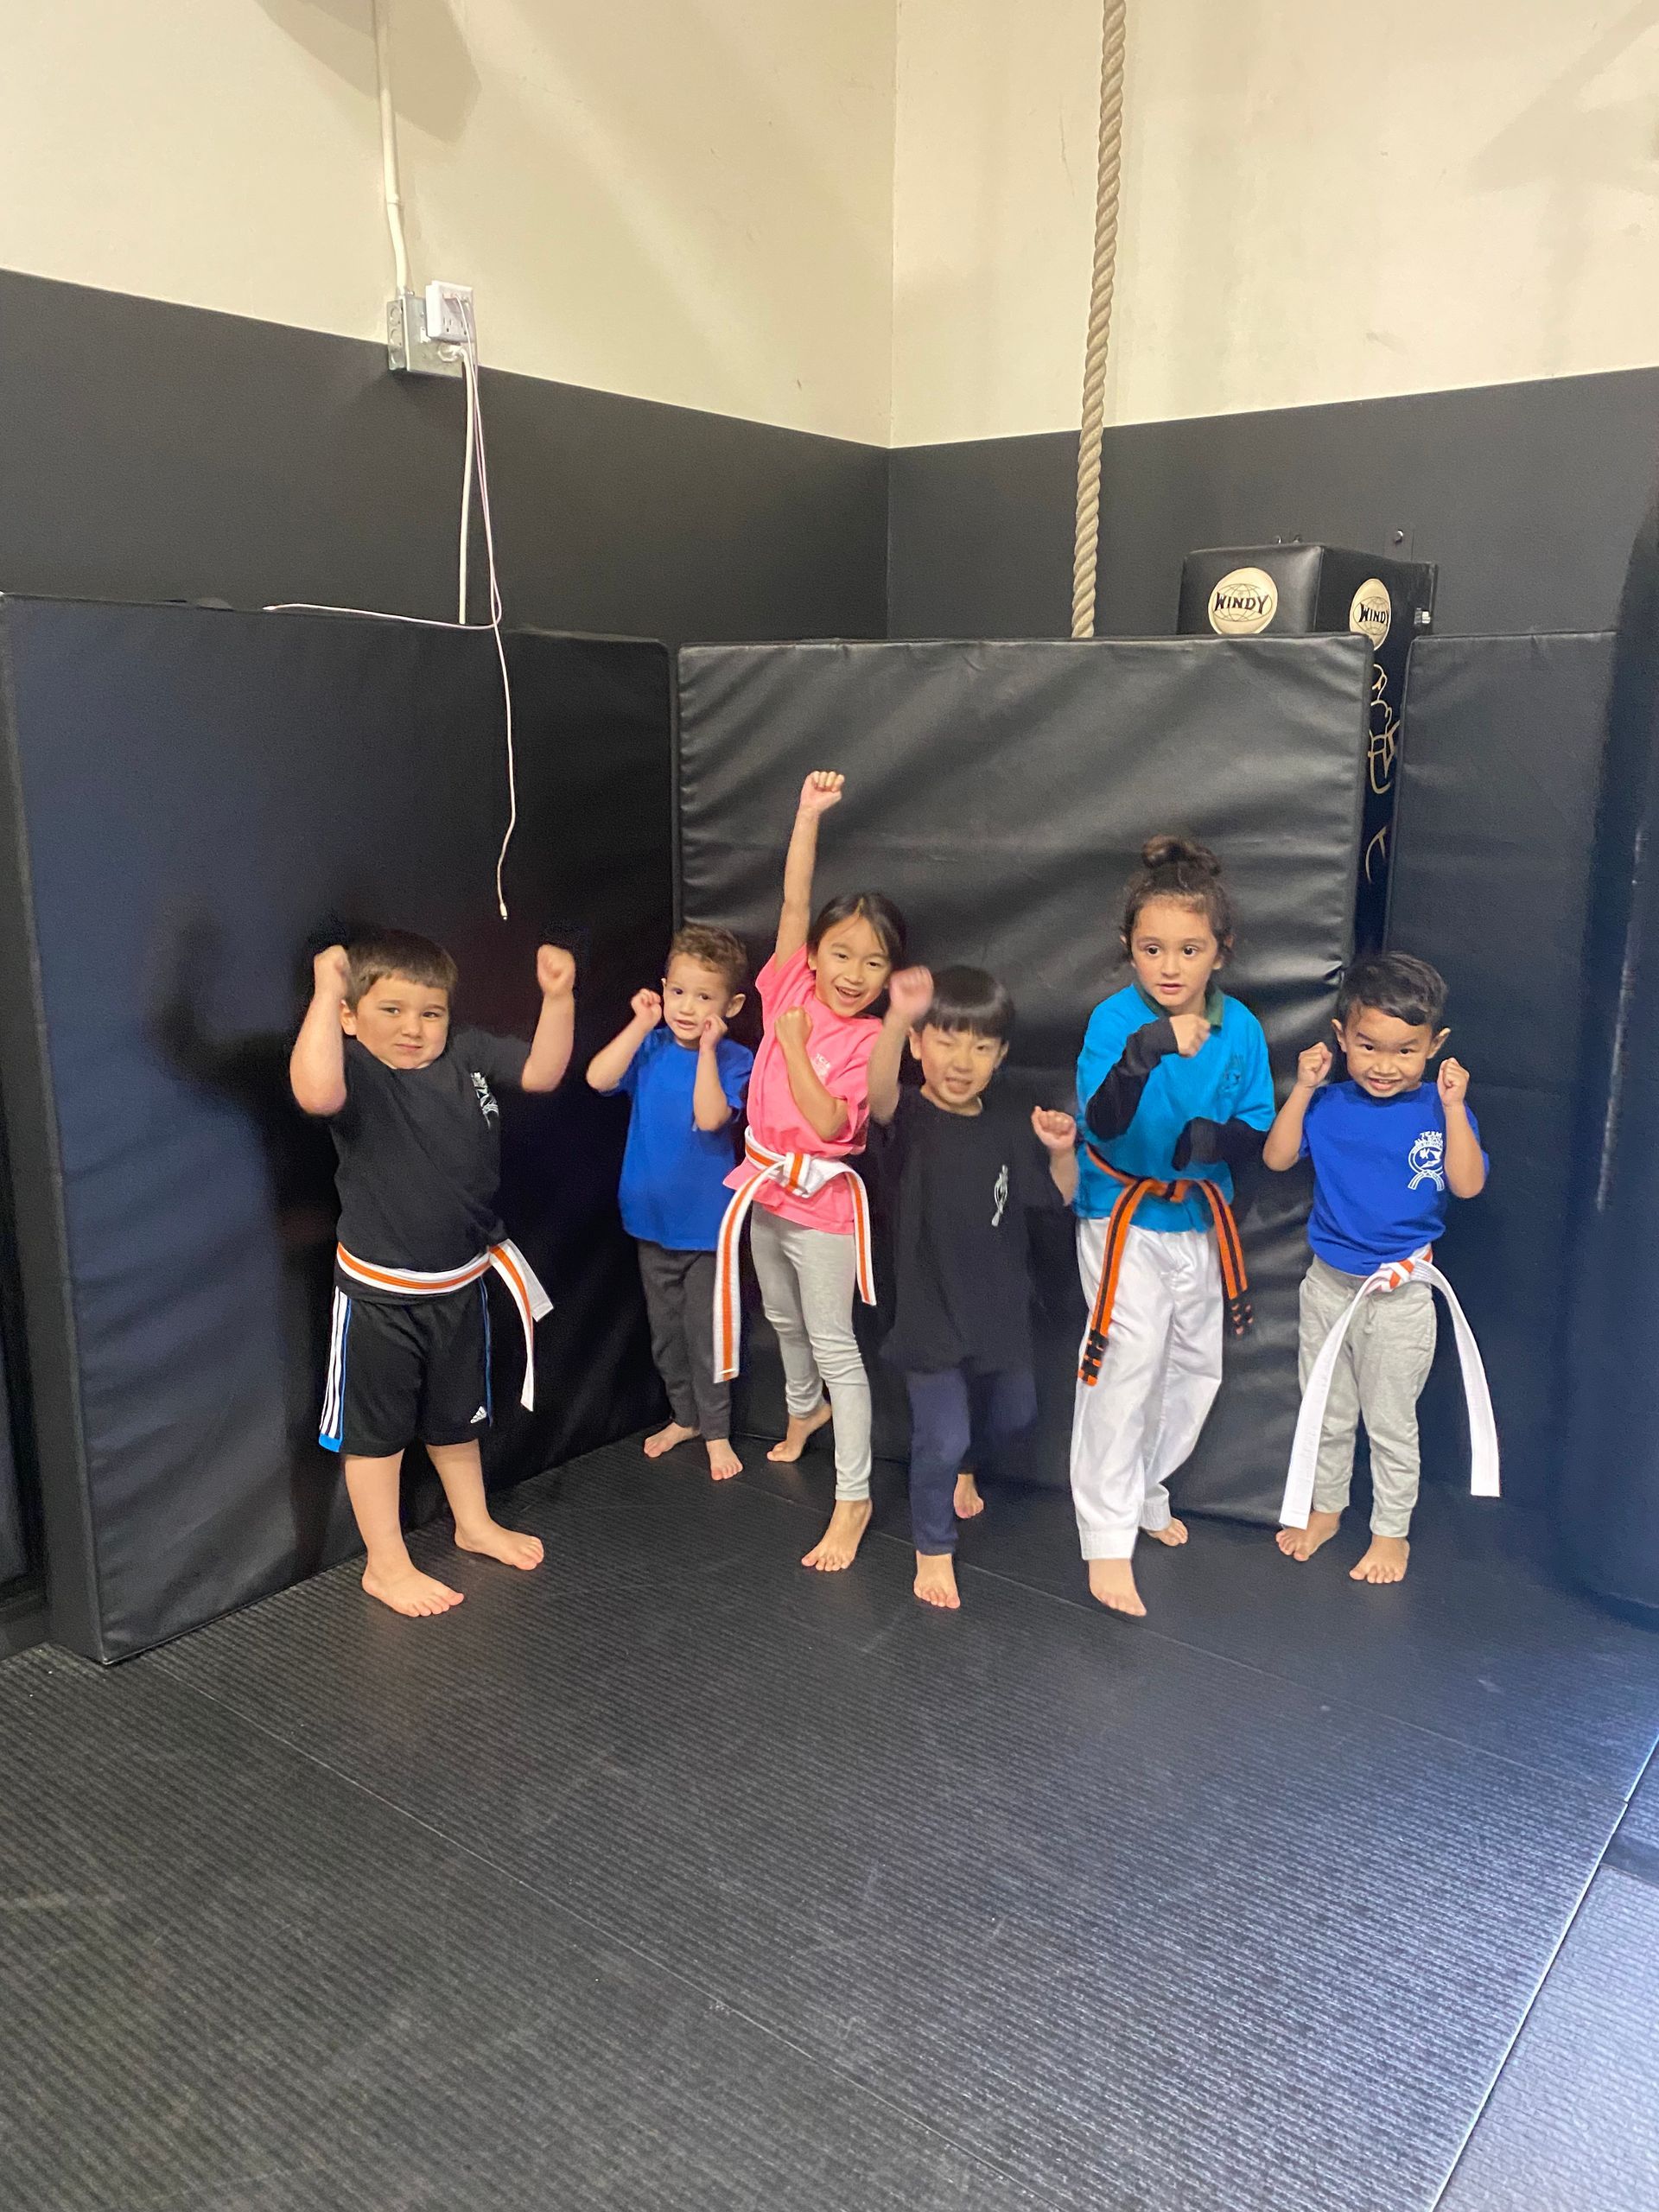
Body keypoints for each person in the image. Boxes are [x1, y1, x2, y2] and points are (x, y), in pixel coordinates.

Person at [289, 929, 575, 1618]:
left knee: (457, 1421)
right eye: (391, 1010)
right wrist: (328, 994)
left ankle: (472, 1523)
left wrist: (559, 998)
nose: (414, 1029)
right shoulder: (355, 1068)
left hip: (461, 1287)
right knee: (375, 1435)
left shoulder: (467, 1053)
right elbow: (313, 1092)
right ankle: (385, 1565)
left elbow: (541, 1073)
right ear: (354, 1020)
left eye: (430, 1012)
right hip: (381, 1298)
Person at [1070, 836, 1274, 1618]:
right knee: (1124, 1369)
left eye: (1189, 949)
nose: (1170, 965)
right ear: (1128, 948)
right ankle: (1106, 1538)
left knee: (1197, 1366)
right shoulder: (1114, 1021)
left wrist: (1213, 1143)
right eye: (1152, 948)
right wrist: (1144, 1054)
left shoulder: (1242, 1028)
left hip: (1200, 1222)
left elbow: (1256, 1128)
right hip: (1122, 1218)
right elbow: (1102, 1124)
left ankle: (1148, 1487)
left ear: (1220, 952)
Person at [712, 770, 906, 1573]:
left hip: (823, 1206)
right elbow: (794, 904)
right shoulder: (791, 980)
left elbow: (831, 1123)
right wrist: (806, 817)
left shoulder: (869, 1041)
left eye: (873, 962)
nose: (854, 974)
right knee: (782, 1321)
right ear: (817, 957)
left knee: (834, 1345)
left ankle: (852, 1498)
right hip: (762, 1190)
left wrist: (790, 1047)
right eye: (842, 955)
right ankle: (803, 1416)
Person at [1264, 951, 1488, 1585]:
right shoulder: (1330, 1104)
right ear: (1341, 1038)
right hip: (1330, 1283)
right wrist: (1304, 1087)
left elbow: (1467, 1186)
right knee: (1327, 1409)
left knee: (1390, 1421)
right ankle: (1327, 1508)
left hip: (1400, 1295)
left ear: (1434, 1046)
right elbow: (1278, 1159)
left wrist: (1451, 1108)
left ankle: (1392, 1532)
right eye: (1368, 1047)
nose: (1384, 1066)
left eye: (1404, 1051)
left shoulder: (1437, 1112)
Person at [868, 963, 1077, 1610]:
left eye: (981, 1047)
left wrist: (1062, 1153)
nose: (962, 1060)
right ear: (920, 1046)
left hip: (998, 1312)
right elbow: (875, 1096)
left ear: (1000, 1055)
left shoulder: (1009, 1126)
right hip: (930, 1315)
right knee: (943, 1434)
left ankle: (965, 1469)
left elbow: (1054, 1201)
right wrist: (898, 1016)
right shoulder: (906, 1117)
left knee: (1017, 1417)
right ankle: (933, 1548)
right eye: (948, 1041)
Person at [587, 924, 753, 1481]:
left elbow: (711, 1118)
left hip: (707, 1230)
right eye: (678, 992)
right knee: (666, 1334)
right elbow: (597, 1078)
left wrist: (707, 1048)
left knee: (706, 1338)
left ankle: (717, 1431)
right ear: (662, 987)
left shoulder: (733, 1059)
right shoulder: (651, 1045)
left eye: (704, 997)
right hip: (648, 1224)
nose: (687, 1007)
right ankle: (683, 1417)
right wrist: (641, 1021)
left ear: (730, 1004)